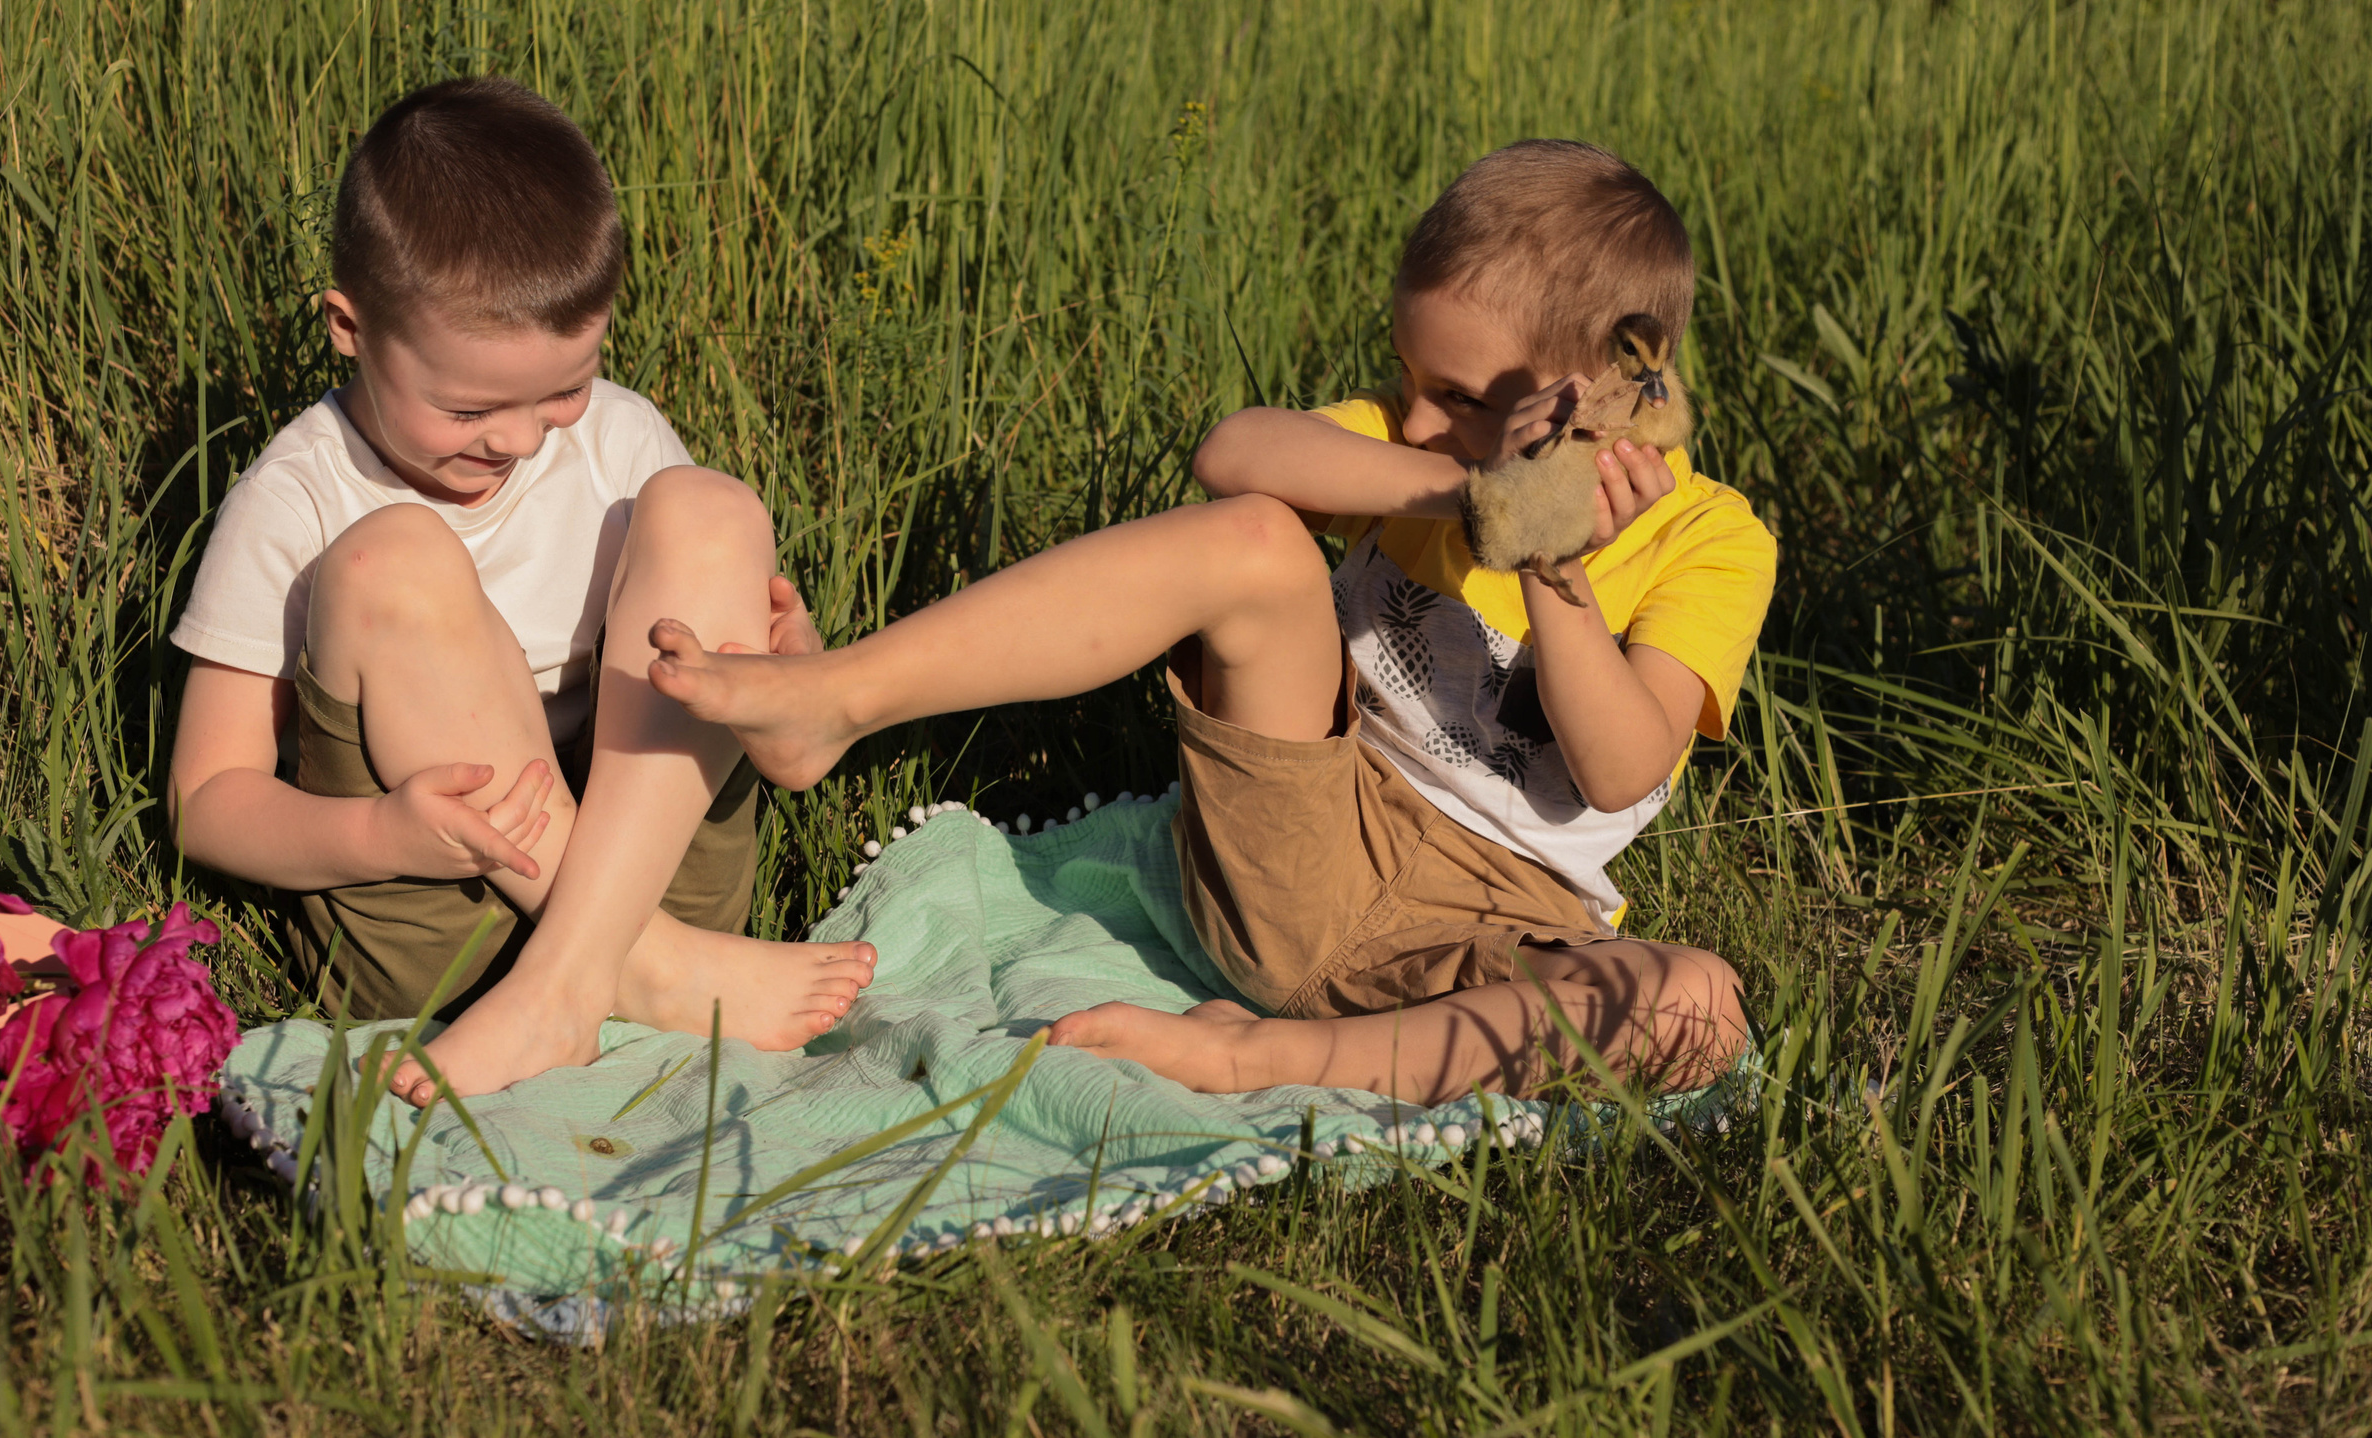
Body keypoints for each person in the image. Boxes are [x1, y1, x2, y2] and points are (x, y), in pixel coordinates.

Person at [647, 140, 1773, 1106]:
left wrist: (1551, 559)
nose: (1422, 417)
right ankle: (839, 701)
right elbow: (1233, 454)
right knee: (1256, 538)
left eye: (1464, 398)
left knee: (1696, 1005)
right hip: (1298, 834)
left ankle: (1263, 1058)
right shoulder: (1426, 450)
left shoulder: (1715, 541)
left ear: (1608, 388)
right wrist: (1475, 491)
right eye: (1411, 378)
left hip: (1485, 934)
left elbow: (1621, 768)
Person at [166, 77, 875, 1105]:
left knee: (712, 509)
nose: (517, 438)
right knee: (391, 557)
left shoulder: (618, 441)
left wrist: (776, 690)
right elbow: (206, 803)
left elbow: (744, 697)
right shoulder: (296, 498)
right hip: (444, 919)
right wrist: (380, 835)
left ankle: (587, 969)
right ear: (350, 327)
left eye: (563, 390)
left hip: (651, 868)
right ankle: (641, 967)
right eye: (467, 409)